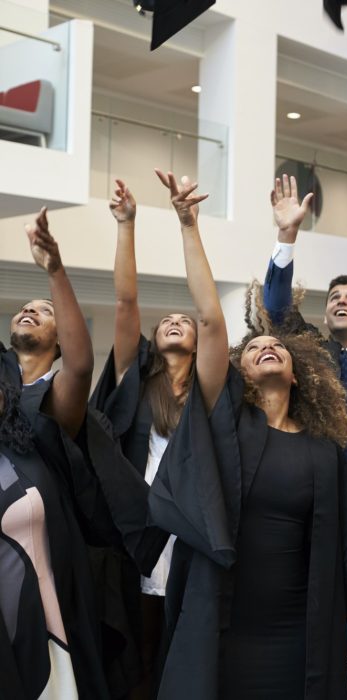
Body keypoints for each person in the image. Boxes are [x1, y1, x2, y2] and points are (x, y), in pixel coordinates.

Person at [147, 171, 347, 699]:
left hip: (302, 637)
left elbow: (345, 550)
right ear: (239, 372)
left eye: (279, 348)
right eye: (254, 348)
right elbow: (211, 318)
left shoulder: (323, 453)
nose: (267, 348)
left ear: (299, 374)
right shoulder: (227, 426)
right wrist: (188, 224)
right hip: (222, 624)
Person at [1, 209, 158, 699]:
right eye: (24, 308)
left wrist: (54, 271)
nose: (31, 311)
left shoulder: (54, 399)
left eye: (43, 311)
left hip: (47, 570)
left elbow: (83, 361)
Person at [260, 174, 347, 698]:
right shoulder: (310, 357)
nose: (342, 301)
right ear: (325, 313)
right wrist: (286, 238)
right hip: (308, 507)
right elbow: (275, 309)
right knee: (307, 634)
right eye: (335, 296)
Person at [90, 178, 196, 699]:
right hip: (136, 533)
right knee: (138, 652)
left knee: (181, 649)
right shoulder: (137, 383)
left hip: (190, 536)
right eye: (168, 320)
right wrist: (127, 224)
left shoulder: (210, 398)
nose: (175, 321)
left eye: (186, 320)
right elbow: (126, 301)